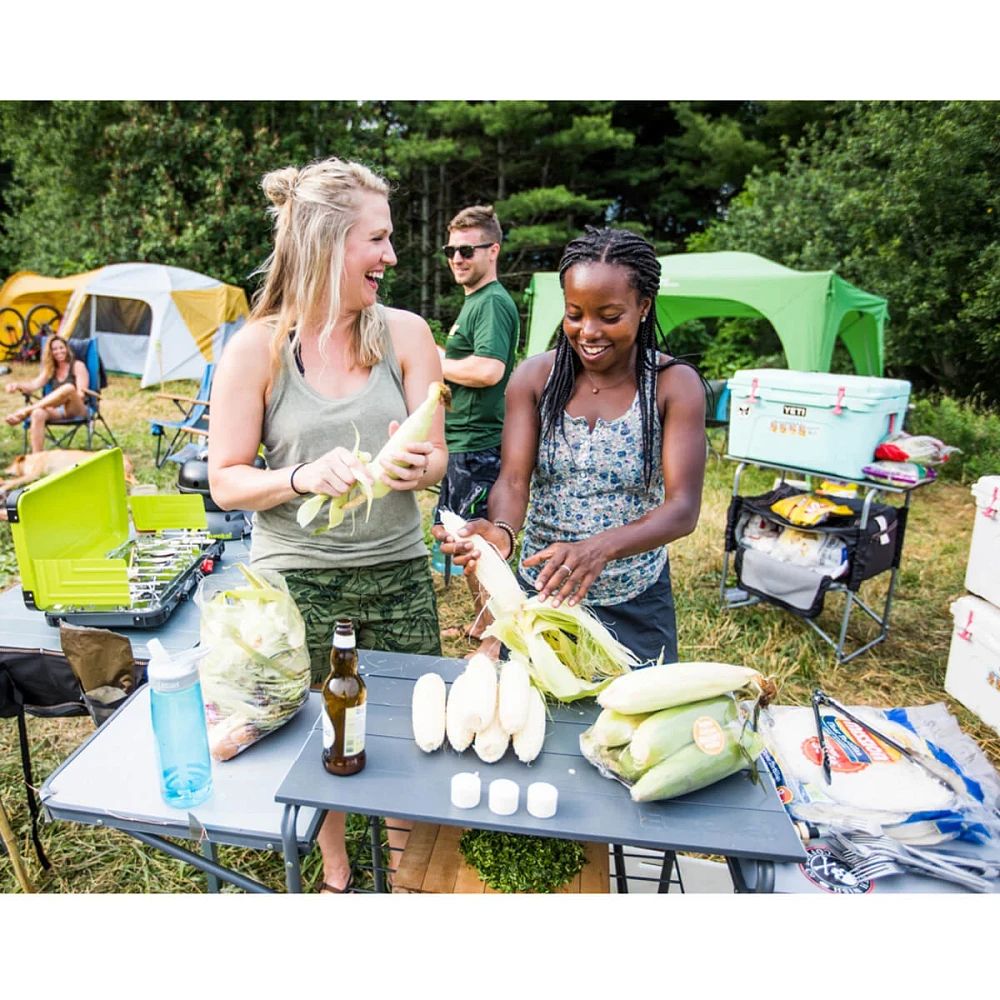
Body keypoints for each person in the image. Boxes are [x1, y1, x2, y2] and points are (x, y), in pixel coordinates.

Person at [208, 156, 448, 894]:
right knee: (323, 734)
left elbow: (437, 453)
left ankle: (409, 870)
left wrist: (422, 469)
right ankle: (337, 866)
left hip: (399, 570)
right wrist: (299, 477)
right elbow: (225, 480)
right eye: (376, 240)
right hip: (298, 581)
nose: (393, 256)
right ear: (324, 244)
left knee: (413, 733)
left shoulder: (406, 334)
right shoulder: (258, 349)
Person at [435, 226, 706, 663]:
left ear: (643, 307)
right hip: (543, 597)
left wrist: (598, 548)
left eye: (610, 316)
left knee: (631, 723)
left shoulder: (673, 385)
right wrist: (503, 532)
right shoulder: (535, 378)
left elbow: (683, 508)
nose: (588, 331)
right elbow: (514, 478)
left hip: (633, 598)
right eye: (575, 314)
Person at [436, 205, 519, 647]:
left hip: (480, 444)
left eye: (467, 249)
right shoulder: (474, 303)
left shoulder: (492, 303)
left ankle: (497, 638)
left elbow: (489, 370)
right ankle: (483, 622)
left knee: (479, 546)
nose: (457, 258)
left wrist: (437, 362)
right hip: (461, 442)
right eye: (451, 250)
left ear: (493, 251)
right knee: (457, 537)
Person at [4, 335, 89, 451]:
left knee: (69, 388)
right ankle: (37, 459)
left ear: (67, 349)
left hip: (77, 408)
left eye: (61, 347)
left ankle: (25, 411)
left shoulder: (78, 366)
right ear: (50, 352)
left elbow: (81, 395)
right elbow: (33, 385)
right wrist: (17, 385)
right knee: (37, 413)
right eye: (54, 349)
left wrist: (64, 397)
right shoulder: (51, 369)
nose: (59, 351)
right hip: (58, 410)